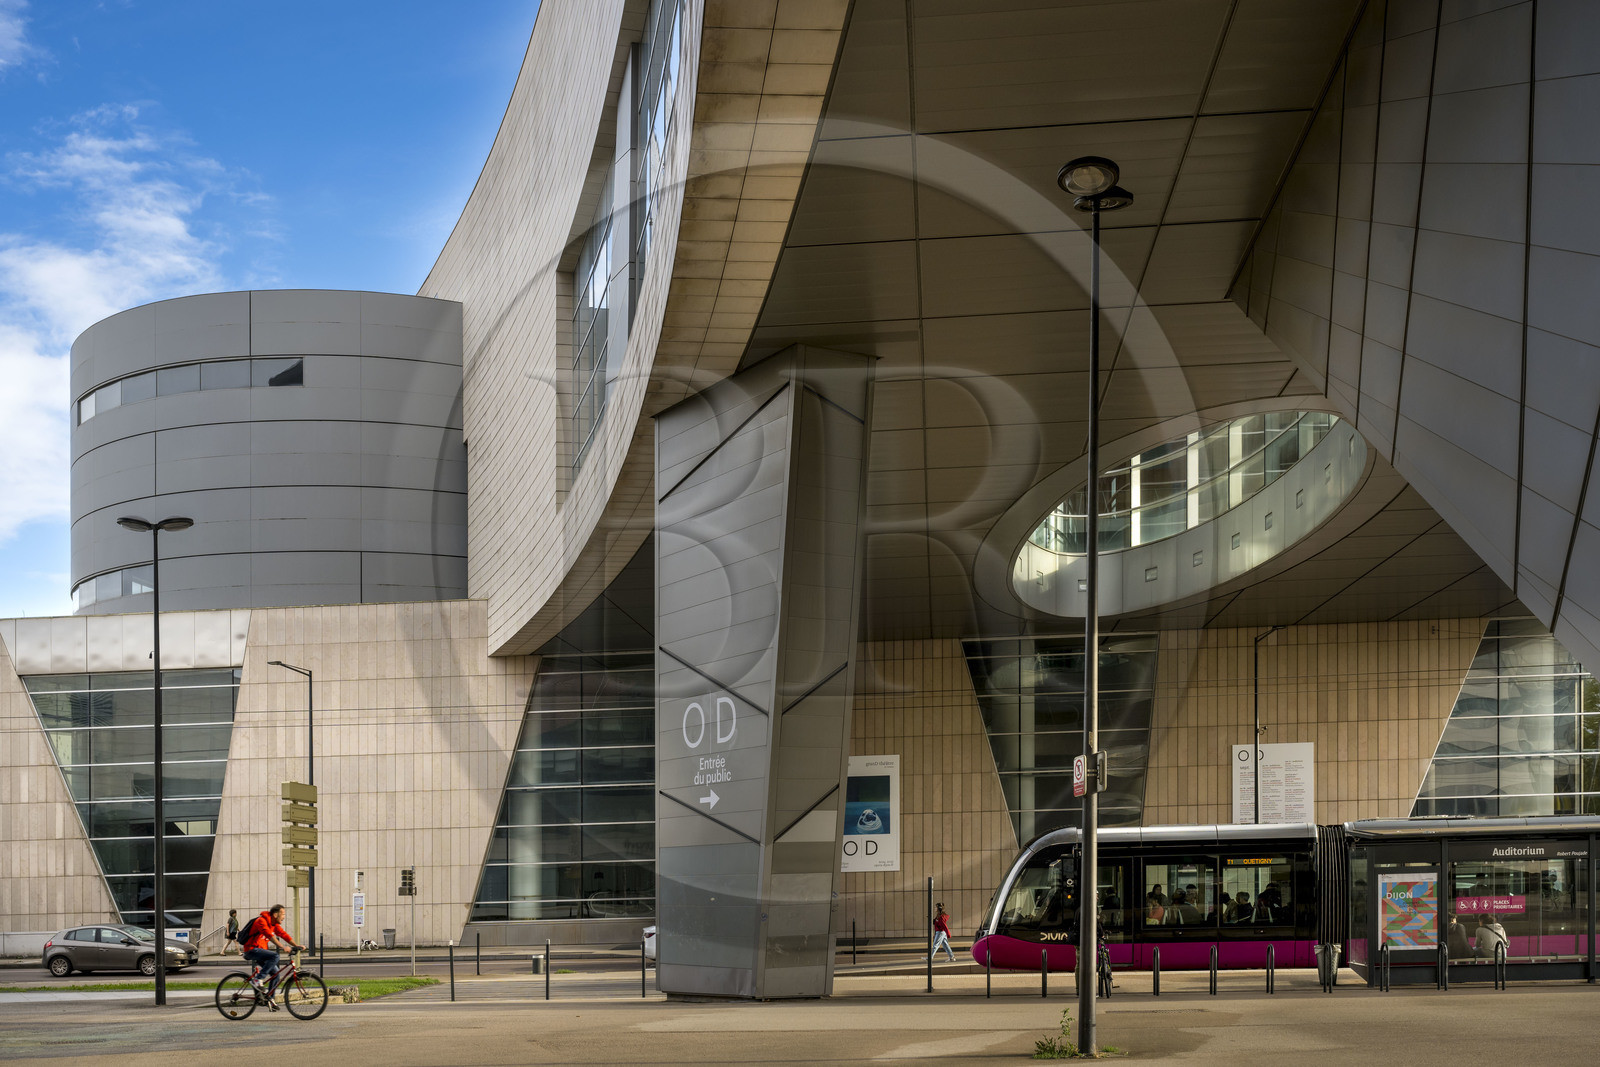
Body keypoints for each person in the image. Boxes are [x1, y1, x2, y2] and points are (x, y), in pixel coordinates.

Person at [240, 904, 304, 1010]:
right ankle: (258, 979)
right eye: (282, 914)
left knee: (276, 974)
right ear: (275, 914)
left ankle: (269, 999)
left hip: (260, 951)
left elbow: (284, 935)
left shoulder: (273, 924)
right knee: (275, 956)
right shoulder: (261, 921)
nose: (284, 917)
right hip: (251, 950)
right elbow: (270, 936)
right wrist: (283, 947)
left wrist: (296, 946)